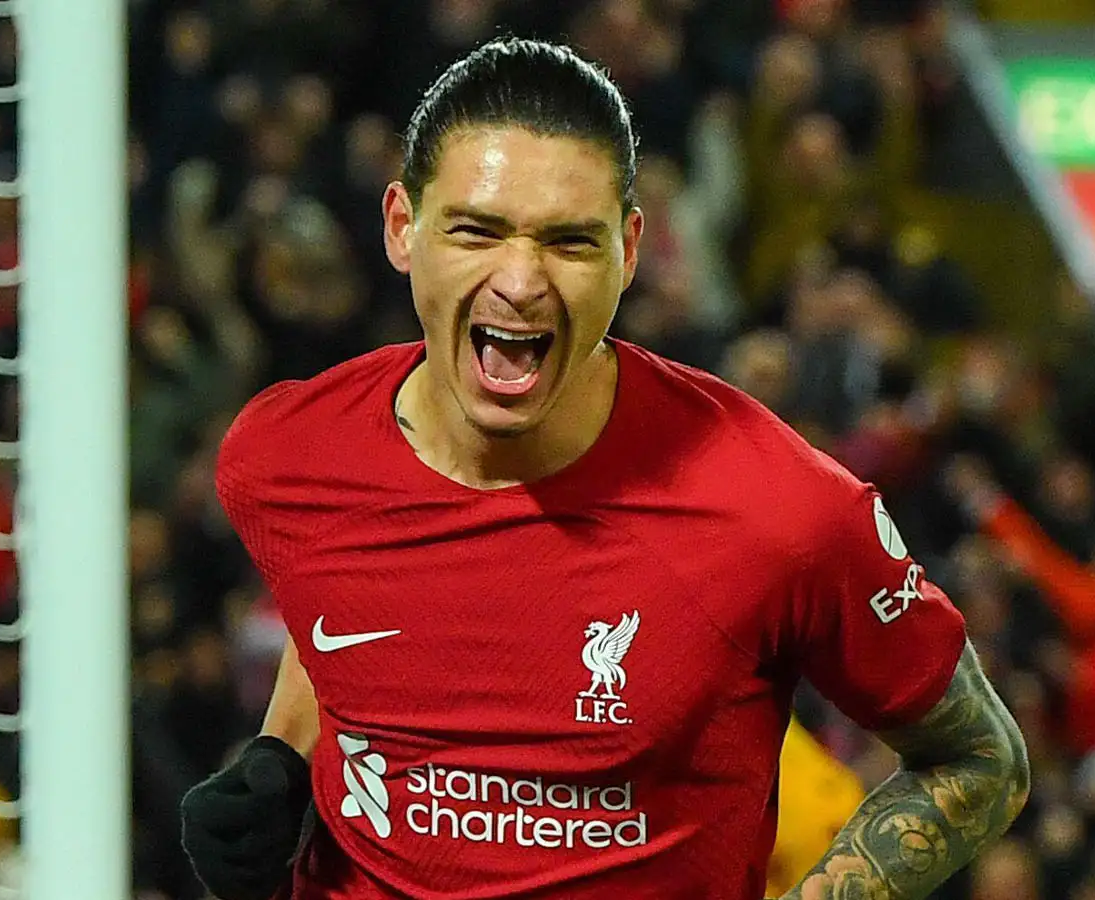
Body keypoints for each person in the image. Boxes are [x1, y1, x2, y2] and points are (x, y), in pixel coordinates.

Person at [180, 37, 1029, 900]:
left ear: (629, 250)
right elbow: (340, 610)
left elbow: (978, 758)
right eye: (476, 230)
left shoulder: (775, 506)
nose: (520, 280)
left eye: (569, 243)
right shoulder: (284, 457)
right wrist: (283, 757)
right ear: (402, 227)